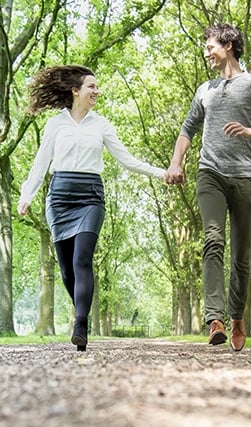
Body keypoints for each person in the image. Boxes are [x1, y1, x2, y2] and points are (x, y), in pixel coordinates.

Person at [18, 65, 169, 352]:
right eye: (91, 87)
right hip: (59, 198)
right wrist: (27, 195)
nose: (96, 91)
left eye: (97, 87)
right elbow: (40, 164)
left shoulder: (101, 125)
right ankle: (80, 312)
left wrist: (162, 174)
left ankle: (81, 324)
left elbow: (127, 160)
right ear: (75, 91)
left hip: (90, 196)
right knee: (66, 272)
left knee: (82, 260)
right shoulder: (55, 124)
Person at [166, 23, 251, 352]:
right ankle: (215, 319)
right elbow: (188, 128)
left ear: (229, 45)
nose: (206, 52)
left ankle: (237, 317)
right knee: (213, 239)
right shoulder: (205, 89)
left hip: (246, 177)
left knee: (242, 255)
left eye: (210, 46)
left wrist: (249, 132)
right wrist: (176, 163)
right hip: (211, 173)